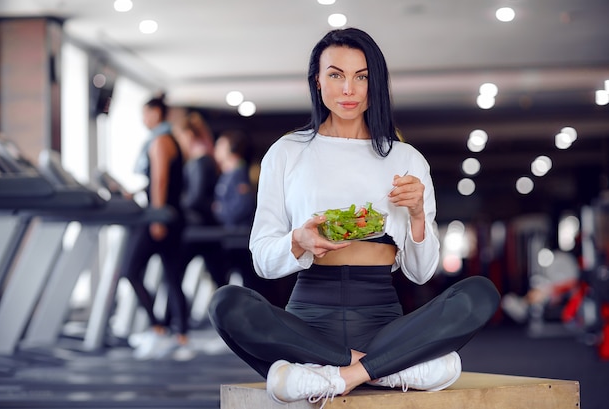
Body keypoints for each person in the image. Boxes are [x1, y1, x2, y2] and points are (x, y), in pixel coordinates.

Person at [208, 27, 500, 407]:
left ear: (374, 82)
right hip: (307, 322)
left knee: (479, 293)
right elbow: (262, 260)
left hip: (384, 322)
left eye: (361, 77)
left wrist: (415, 215)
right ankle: (385, 370)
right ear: (317, 80)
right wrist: (299, 240)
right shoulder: (286, 152)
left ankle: (330, 376)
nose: (349, 89)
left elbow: (421, 273)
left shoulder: (406, 159)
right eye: (336, 75)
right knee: (225, 304)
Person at [119, 95, 191, 360]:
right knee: (172, 276)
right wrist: (137, 191)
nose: (142, 119)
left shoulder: (160, 141)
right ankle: (180, 333)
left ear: (155, 114)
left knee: (130, 270)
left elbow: (160, 180)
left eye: (144, 114)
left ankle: (158, 326)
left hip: (160, 217)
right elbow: (159, 180)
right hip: (172, 215)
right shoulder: (170, 138)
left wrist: (157, 217)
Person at [172, 111, 219, 225]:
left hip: (198, 222)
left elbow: (195, 198)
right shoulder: (203, 158)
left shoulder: (199, 161)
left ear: (188, 135)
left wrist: (174, 204)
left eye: (179, 137)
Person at [212, 129, 256, 227]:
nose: (216, 149)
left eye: (220, 145)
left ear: (232, 148)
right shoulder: (228, 174)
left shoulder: (238, 173)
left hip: (237, 233)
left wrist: (219, 210)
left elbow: (242, 206)